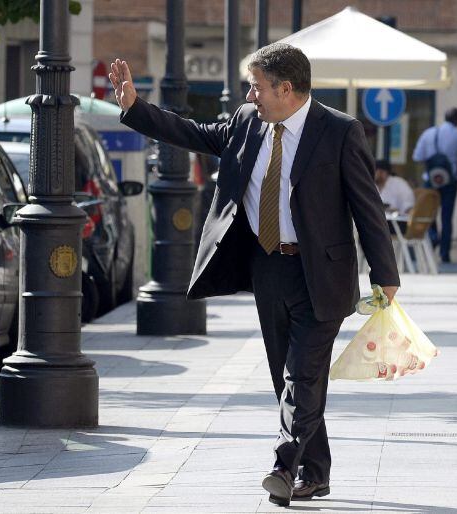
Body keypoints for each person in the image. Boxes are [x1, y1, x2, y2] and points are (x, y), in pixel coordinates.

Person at [110, 43, 399, 507]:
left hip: (320, 274)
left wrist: (385, 274)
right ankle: (316, 473)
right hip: (268, 267)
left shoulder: (340, 132)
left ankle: (284, 466)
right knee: (288, 376)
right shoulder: (248, 121)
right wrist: (135, 109)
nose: (251, 94)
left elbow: (368, 207)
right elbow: (196, 133)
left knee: (301, 377)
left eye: (257, 86)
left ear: (286, 88)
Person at [411, 107, 457, 263]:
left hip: (430, 180)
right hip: (450, 182)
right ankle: (444, 253)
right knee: (447, 217)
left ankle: (432, 240)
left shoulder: (429, 133)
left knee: (428, 213)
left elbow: (417, 156)